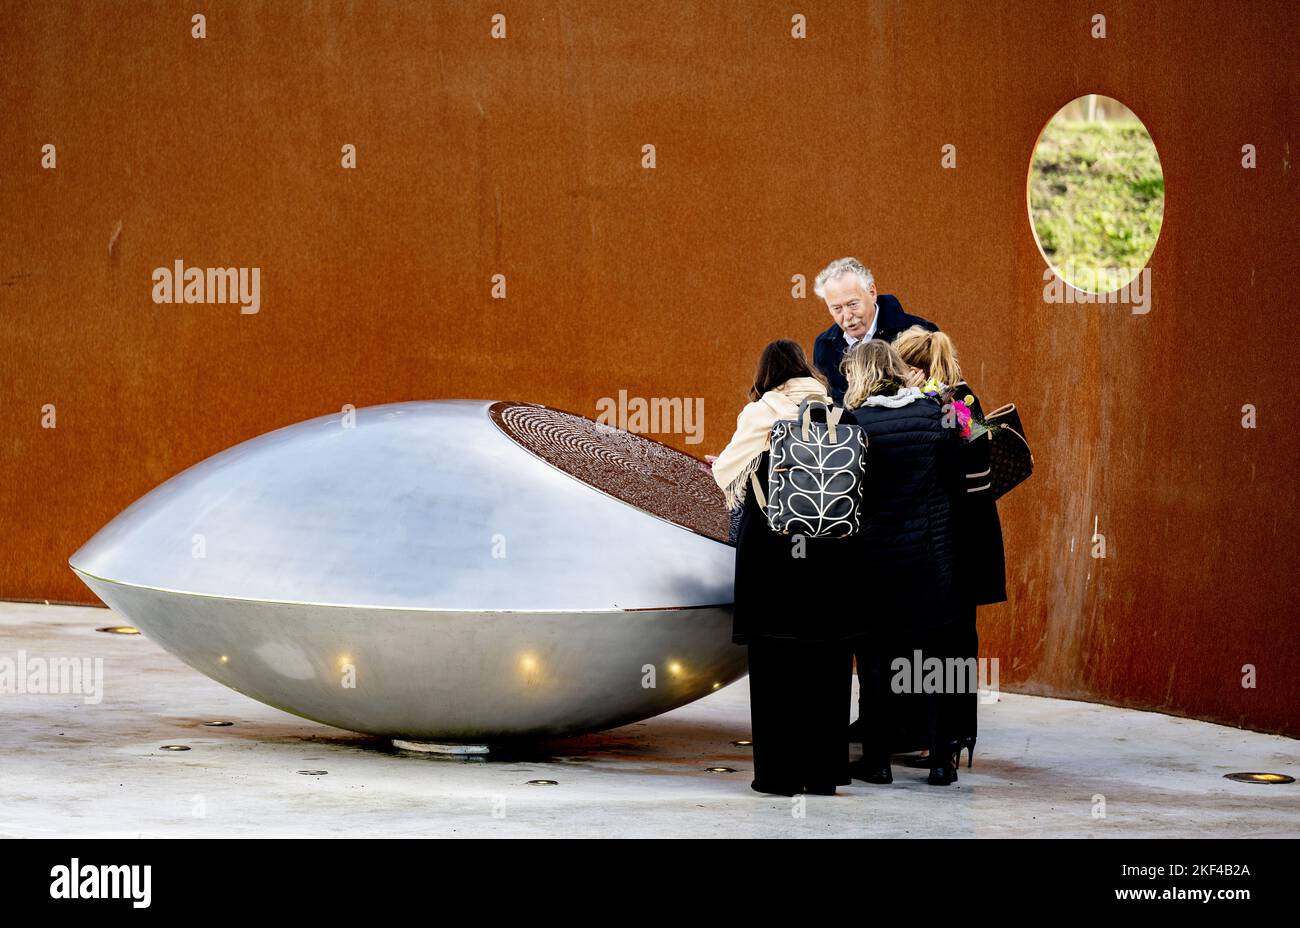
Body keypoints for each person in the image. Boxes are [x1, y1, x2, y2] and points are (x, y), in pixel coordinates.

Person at [710, 339, 855, 797]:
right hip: (831, 558)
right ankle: (824, 773)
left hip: (773, 559)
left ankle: (778, 776)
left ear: (766, 374)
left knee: (775, 669)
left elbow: (726, 473)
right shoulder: (837, 411)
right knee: (827, 667)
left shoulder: (761, 413)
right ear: (806, 371)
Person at [839, 339, 966, 786]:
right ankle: (940, 762)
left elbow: (848, 493)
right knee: (932, 660)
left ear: (861, 375)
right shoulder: (938, 415)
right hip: (931, 559)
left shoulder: (855, 422)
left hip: (874, 562)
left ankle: (877, 761)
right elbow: (957, 477)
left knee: (874, 662)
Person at [892, 326, 1008, 768]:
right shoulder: (964, 401)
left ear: (914, 368)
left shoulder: (943, 405)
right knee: (958, 643)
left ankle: (941, 739)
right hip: (971, 542)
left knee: (943, 642)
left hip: (948, 544)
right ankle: (952, 737)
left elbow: (953, 464)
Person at [811, 257, 938, 404]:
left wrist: (912, 395)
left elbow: (952, 394)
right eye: (837, 308)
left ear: (872, 293)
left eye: (852, 304)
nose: (847, 316)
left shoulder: (921, 333)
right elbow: (830, 411)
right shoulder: (824, 347)